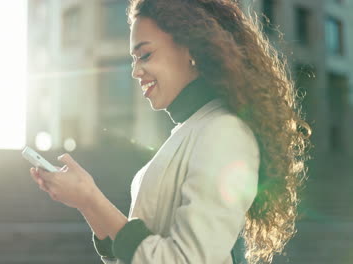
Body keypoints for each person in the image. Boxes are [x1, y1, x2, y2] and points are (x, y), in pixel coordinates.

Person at [29, 0, 311, 263]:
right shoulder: (190, 130)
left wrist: (92, 198)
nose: (135, 71)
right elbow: (143, 252)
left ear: (191, 49)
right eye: (134, 59)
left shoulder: (224, 132)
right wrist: (86, 203)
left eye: (145, 55)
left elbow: (186, 259)